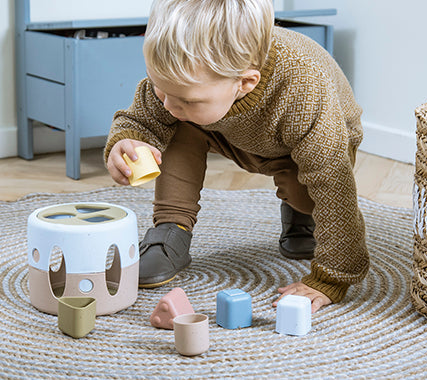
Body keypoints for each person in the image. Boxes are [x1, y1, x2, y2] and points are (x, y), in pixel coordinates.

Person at [104, 0, 368, 313]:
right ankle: (170, 231)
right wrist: (126, 142)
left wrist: (331, 279)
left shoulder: (302, 87)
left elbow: (332, 183)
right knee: (176, 124)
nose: (167, 105)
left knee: (308, 194)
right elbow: (141, 119)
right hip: (231, 133)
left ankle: (301, 216)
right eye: (160, 89)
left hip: (310, 147)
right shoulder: (178, 84)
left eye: (186, 99)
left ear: (244, 83)